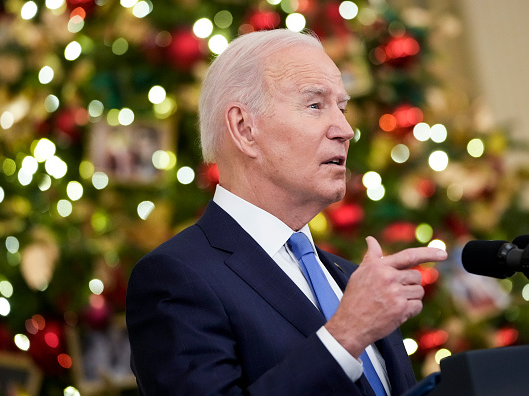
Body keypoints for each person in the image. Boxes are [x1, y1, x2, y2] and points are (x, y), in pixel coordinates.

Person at [126, 29, 448, 395]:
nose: (346, 130)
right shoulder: (175, 278)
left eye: (341, 108)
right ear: (244, 128)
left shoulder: (352, 278)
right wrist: (346, 334)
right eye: (315, 105)